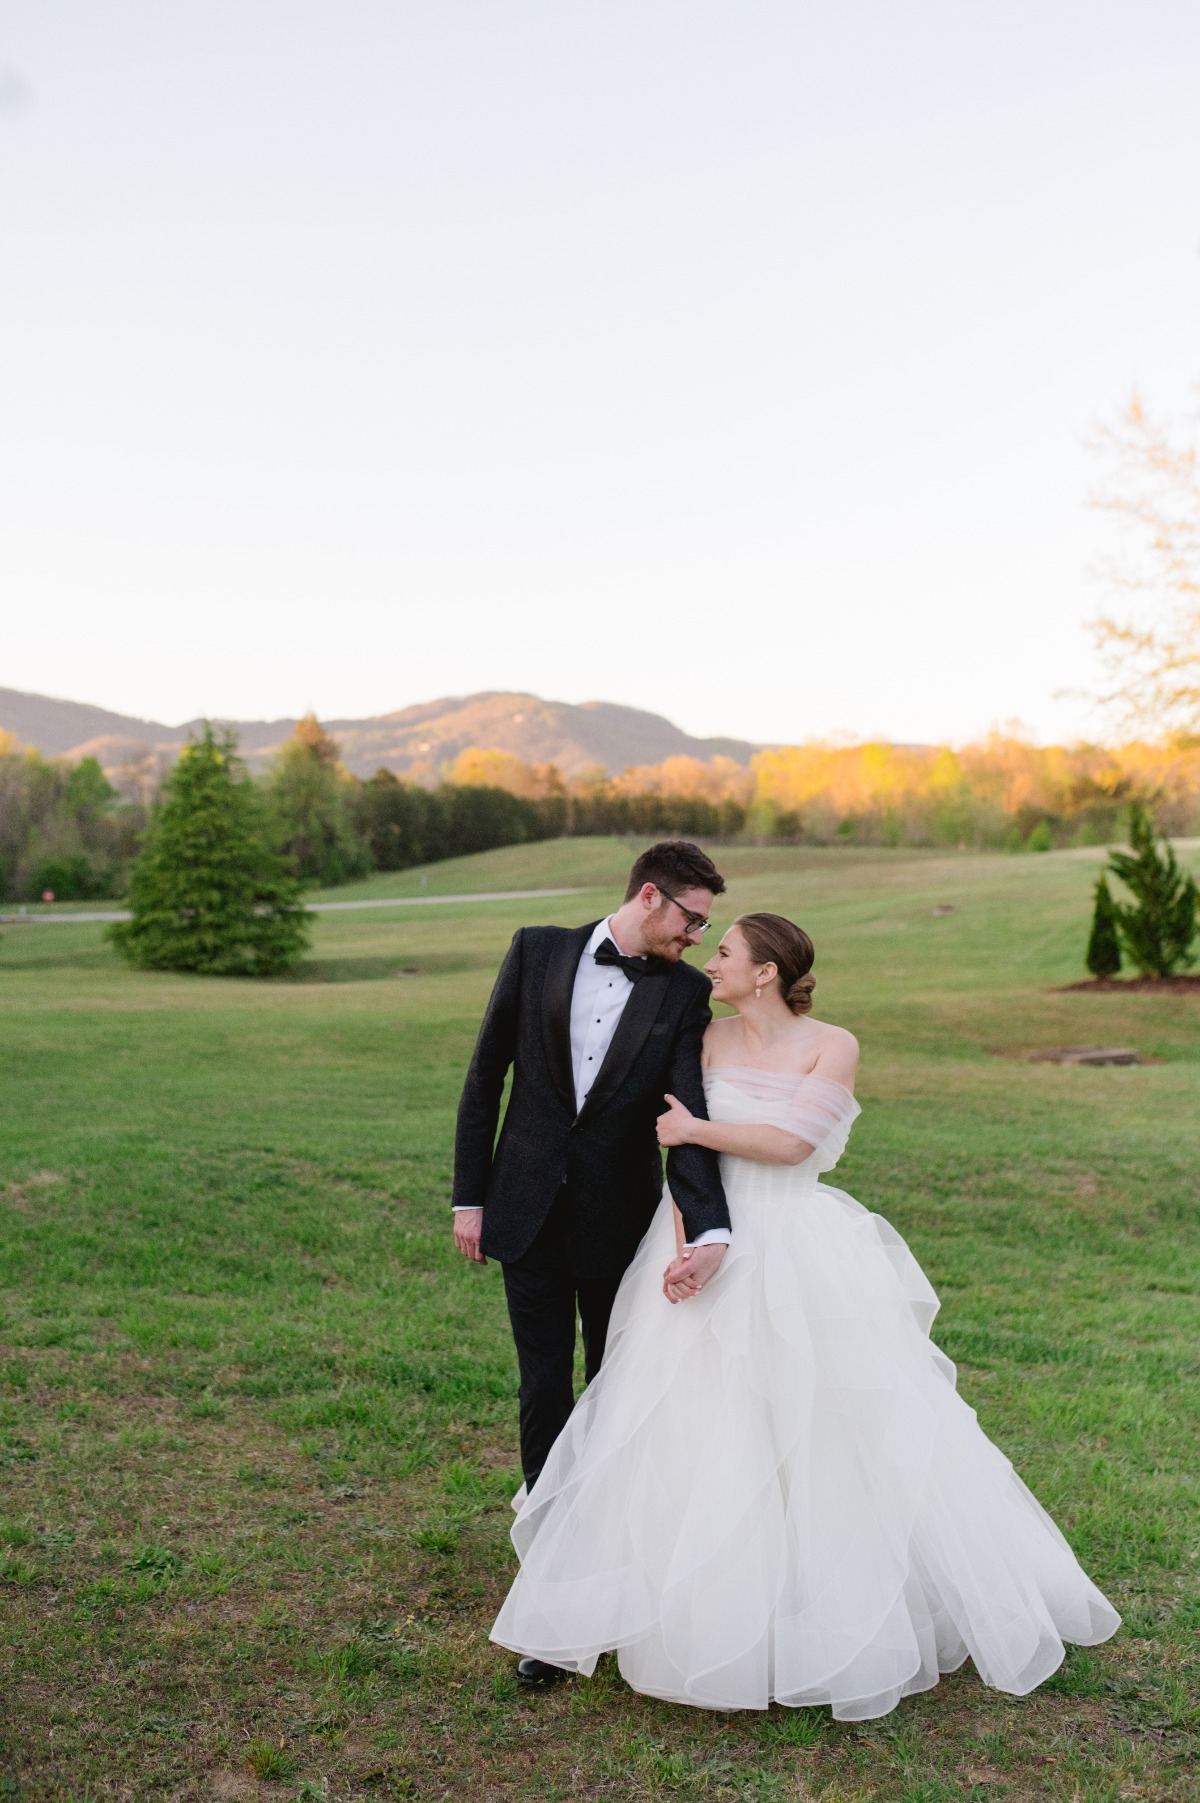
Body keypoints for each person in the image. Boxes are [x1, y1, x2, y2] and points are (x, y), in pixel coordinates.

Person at [490, 912, 1120, 1720]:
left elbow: (795, 1143)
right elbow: (685, 1156)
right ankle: (656, 1600)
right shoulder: (706, 1036)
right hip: (701, 1234)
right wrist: (693, 1237)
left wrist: (695, 1126)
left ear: (766, 972)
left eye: (725, 951)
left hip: (795, 1239)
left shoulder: (835, 1043)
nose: (708, 959)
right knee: (677, 1420)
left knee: (818, 1421)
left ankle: (817, 1603)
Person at [452, 841, 733, 1686]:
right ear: (651, 896)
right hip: (525, 1210)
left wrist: (709, 1229)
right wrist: (470, 1197)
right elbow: (486, 1073)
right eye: (692, 918)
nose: (697, 936)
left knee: (616, 1398)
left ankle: (619, 1574)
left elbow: (686, 1117)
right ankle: (555, 1582)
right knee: (544, 1389)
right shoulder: (536, 947)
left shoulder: (685, 995)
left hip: (622, 1227)